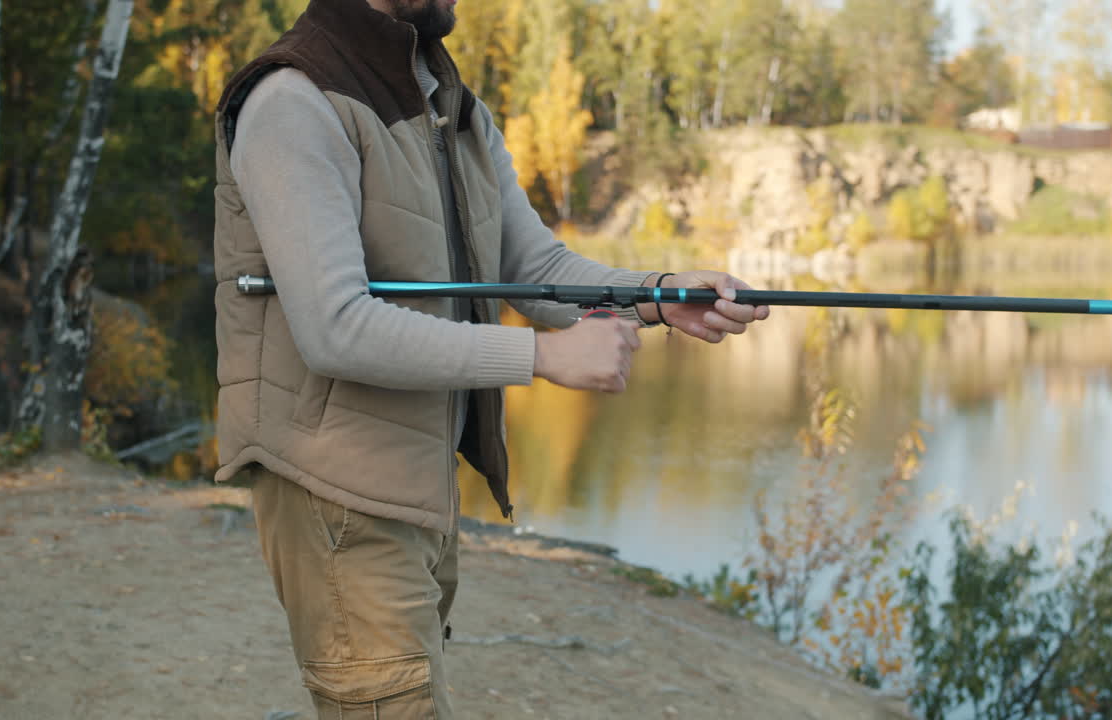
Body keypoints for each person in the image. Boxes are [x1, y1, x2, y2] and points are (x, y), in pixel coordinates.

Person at [211, 0, 772, 716]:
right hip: (335, 493)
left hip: (414, 485)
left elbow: (532, 267)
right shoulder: (291, 101)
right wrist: (540, 357)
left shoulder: (444, 99)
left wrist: (661, 296)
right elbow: (335, 327)